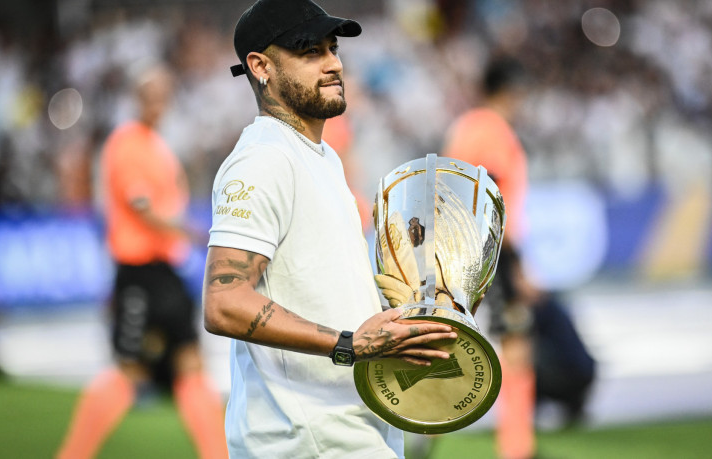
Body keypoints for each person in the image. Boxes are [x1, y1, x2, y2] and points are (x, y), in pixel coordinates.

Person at [203, 1, 457, 458]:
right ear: (260, 66)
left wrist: (411, 311)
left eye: (332, 48)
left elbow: (324, 291)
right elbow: (224, 302)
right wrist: (349, 345)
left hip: (346, 428)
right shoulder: (264, 159)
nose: (334, 63)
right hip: (309, 439)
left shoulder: (321, 156)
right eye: (309, 51)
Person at [57, 65, 228, 459]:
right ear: (137, 99)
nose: (159, 105)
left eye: (164, 97)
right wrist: (194, 232)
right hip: (139, 273)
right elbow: (142, 208)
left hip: (163, 273)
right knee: (131, 370)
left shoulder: (155, 145)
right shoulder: (128, 144)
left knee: (189, 365)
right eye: (152, 96)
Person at [441, 56, 539, 459]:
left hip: (459, 248)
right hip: (491, 251)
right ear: (511, 91)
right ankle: (517, 449)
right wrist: (516, 265)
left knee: (446, 344)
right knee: (515, 347)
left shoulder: (463, 127)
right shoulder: (493, 130)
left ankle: (421, 434)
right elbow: (491, 195)